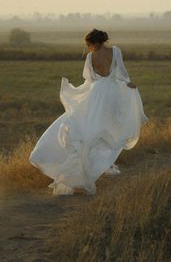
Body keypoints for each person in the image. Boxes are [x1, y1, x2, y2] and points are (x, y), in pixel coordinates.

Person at [29, 29, 149, 195]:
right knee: (109, 127)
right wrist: (128, 84)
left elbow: (90, 78)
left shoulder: (90, 57)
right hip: (112, 92)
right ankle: (102, 163)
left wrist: (82, 92)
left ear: (93, 42)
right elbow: (122, 72)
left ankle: (87, 165)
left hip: (97, 92)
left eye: (89, 44)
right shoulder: (115, 51)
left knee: (89, 127)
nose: (89, 47)